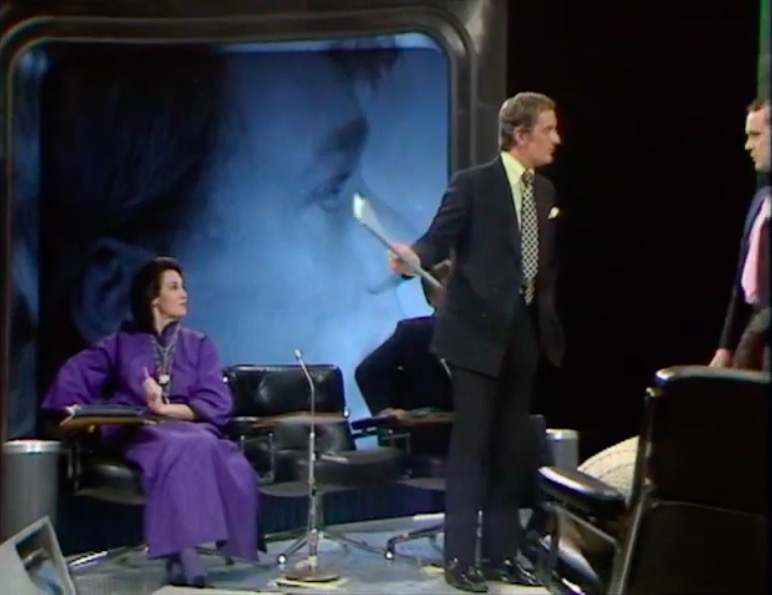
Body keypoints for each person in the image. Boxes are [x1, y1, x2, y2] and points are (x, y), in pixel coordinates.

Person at [389, 92, 564, 592]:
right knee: (472, 447)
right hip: (474, 334)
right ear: (520, 135)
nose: (556, 139)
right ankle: (460, 560)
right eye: (548, 129)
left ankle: (502, 555)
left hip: (523, 332)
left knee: (512, 447)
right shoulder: (473, 184)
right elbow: (438, 239)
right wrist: (412, 257)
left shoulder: (544, 191)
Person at [41, 257, 259, 587]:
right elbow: (72, 380)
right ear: (153, 298)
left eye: (183, 287)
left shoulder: (199, 345)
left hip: (189, 428)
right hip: (138, 432)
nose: (184, 294)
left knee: (209, 447)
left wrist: (164, 409)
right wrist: (77, 416)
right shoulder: (120, 345)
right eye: (174, 287)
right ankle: (184, 554)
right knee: (182, 445)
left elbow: (215, 402)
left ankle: (184, 550)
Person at [710, 99, 770, 371]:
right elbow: (742, 284)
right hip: (752, 341)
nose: (748, 145)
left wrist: (752, 337)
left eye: (756, 135)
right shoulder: (761, 200)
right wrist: (725, 347)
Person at [354, 260, 454, 418]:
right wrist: (387, 412)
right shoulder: (415, 333)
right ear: (433, 297)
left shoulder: (487, 332)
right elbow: (368, 371)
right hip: (436, 426)